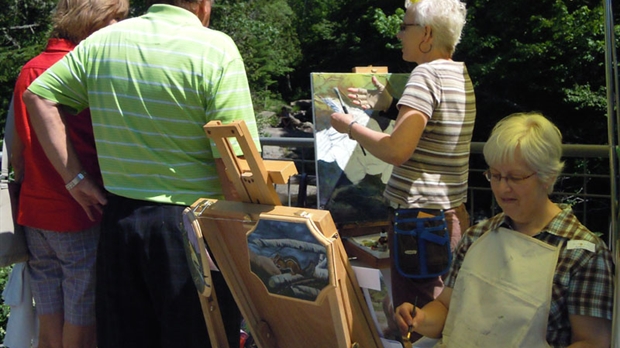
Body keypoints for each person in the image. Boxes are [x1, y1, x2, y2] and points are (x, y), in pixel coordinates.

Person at [22, 0, 261, 347]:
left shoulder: (105, 41)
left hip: (120, 221)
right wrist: (241, 240)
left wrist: (74, 179)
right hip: (195, 226)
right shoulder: (215, 48)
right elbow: (233, 158)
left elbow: (38, 96)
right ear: (203, 5)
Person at [394, 112, 614, 347]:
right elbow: (446, 307)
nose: (502, 187)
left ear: (548, 177)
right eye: (495, 175)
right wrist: (421, 318)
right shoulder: (478, 235)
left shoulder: (583, 254)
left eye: (515, 178)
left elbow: (593, 342)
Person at [330, 0, 475, 340]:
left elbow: (397, 149)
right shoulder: (458, 73)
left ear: (426, 34)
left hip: (417, 224)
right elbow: (435, 128)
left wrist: (350, 125)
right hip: (447, 216)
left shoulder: (424, 74)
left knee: (416, 324)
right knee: (438, 314)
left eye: (405, 26)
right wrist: (390, 104)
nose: (398, 34)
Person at [10, 0, 128, 347]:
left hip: (35, 212)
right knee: (82, 321)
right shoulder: (81, 70)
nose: (122, 25)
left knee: (49, 319)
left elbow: (17, 150)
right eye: (116, 17)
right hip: (78, 211)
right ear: (93, 17)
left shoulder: (30, 68)